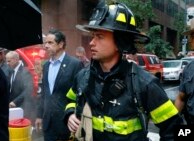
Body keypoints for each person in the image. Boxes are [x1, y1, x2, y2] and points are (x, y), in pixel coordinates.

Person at [64, 2, 183, 141]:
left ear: (120, 42)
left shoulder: (144, 83)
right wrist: (70, 113)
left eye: (99, 36)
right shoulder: (83, 76)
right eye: (92, 36)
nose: (91, 42)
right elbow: (71, 99)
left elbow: (176, 130)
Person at [35, 29, 83, 141]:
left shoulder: (75, 64)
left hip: (65, 124)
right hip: (48, 125)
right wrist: (39, 115)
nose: (46, 46)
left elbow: (80, 96)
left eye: (50, 43)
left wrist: (75, 118)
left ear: (61, 44)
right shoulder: (46, 66)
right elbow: (44, 93)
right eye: (45, 43)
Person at [5, 51, 35, 123]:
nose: (7, 63)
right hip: (12, 107)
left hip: (22, 107)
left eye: (9, 61)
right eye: (6, 61)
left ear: (16, 59)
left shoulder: (25, 72)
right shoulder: (10, 71)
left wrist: (15, 102)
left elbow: (28, 90)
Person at [175, 19, 194, 125]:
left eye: (192, 36)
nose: (190, 40)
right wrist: (172, 123)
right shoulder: (189, 68)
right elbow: (181, 98)